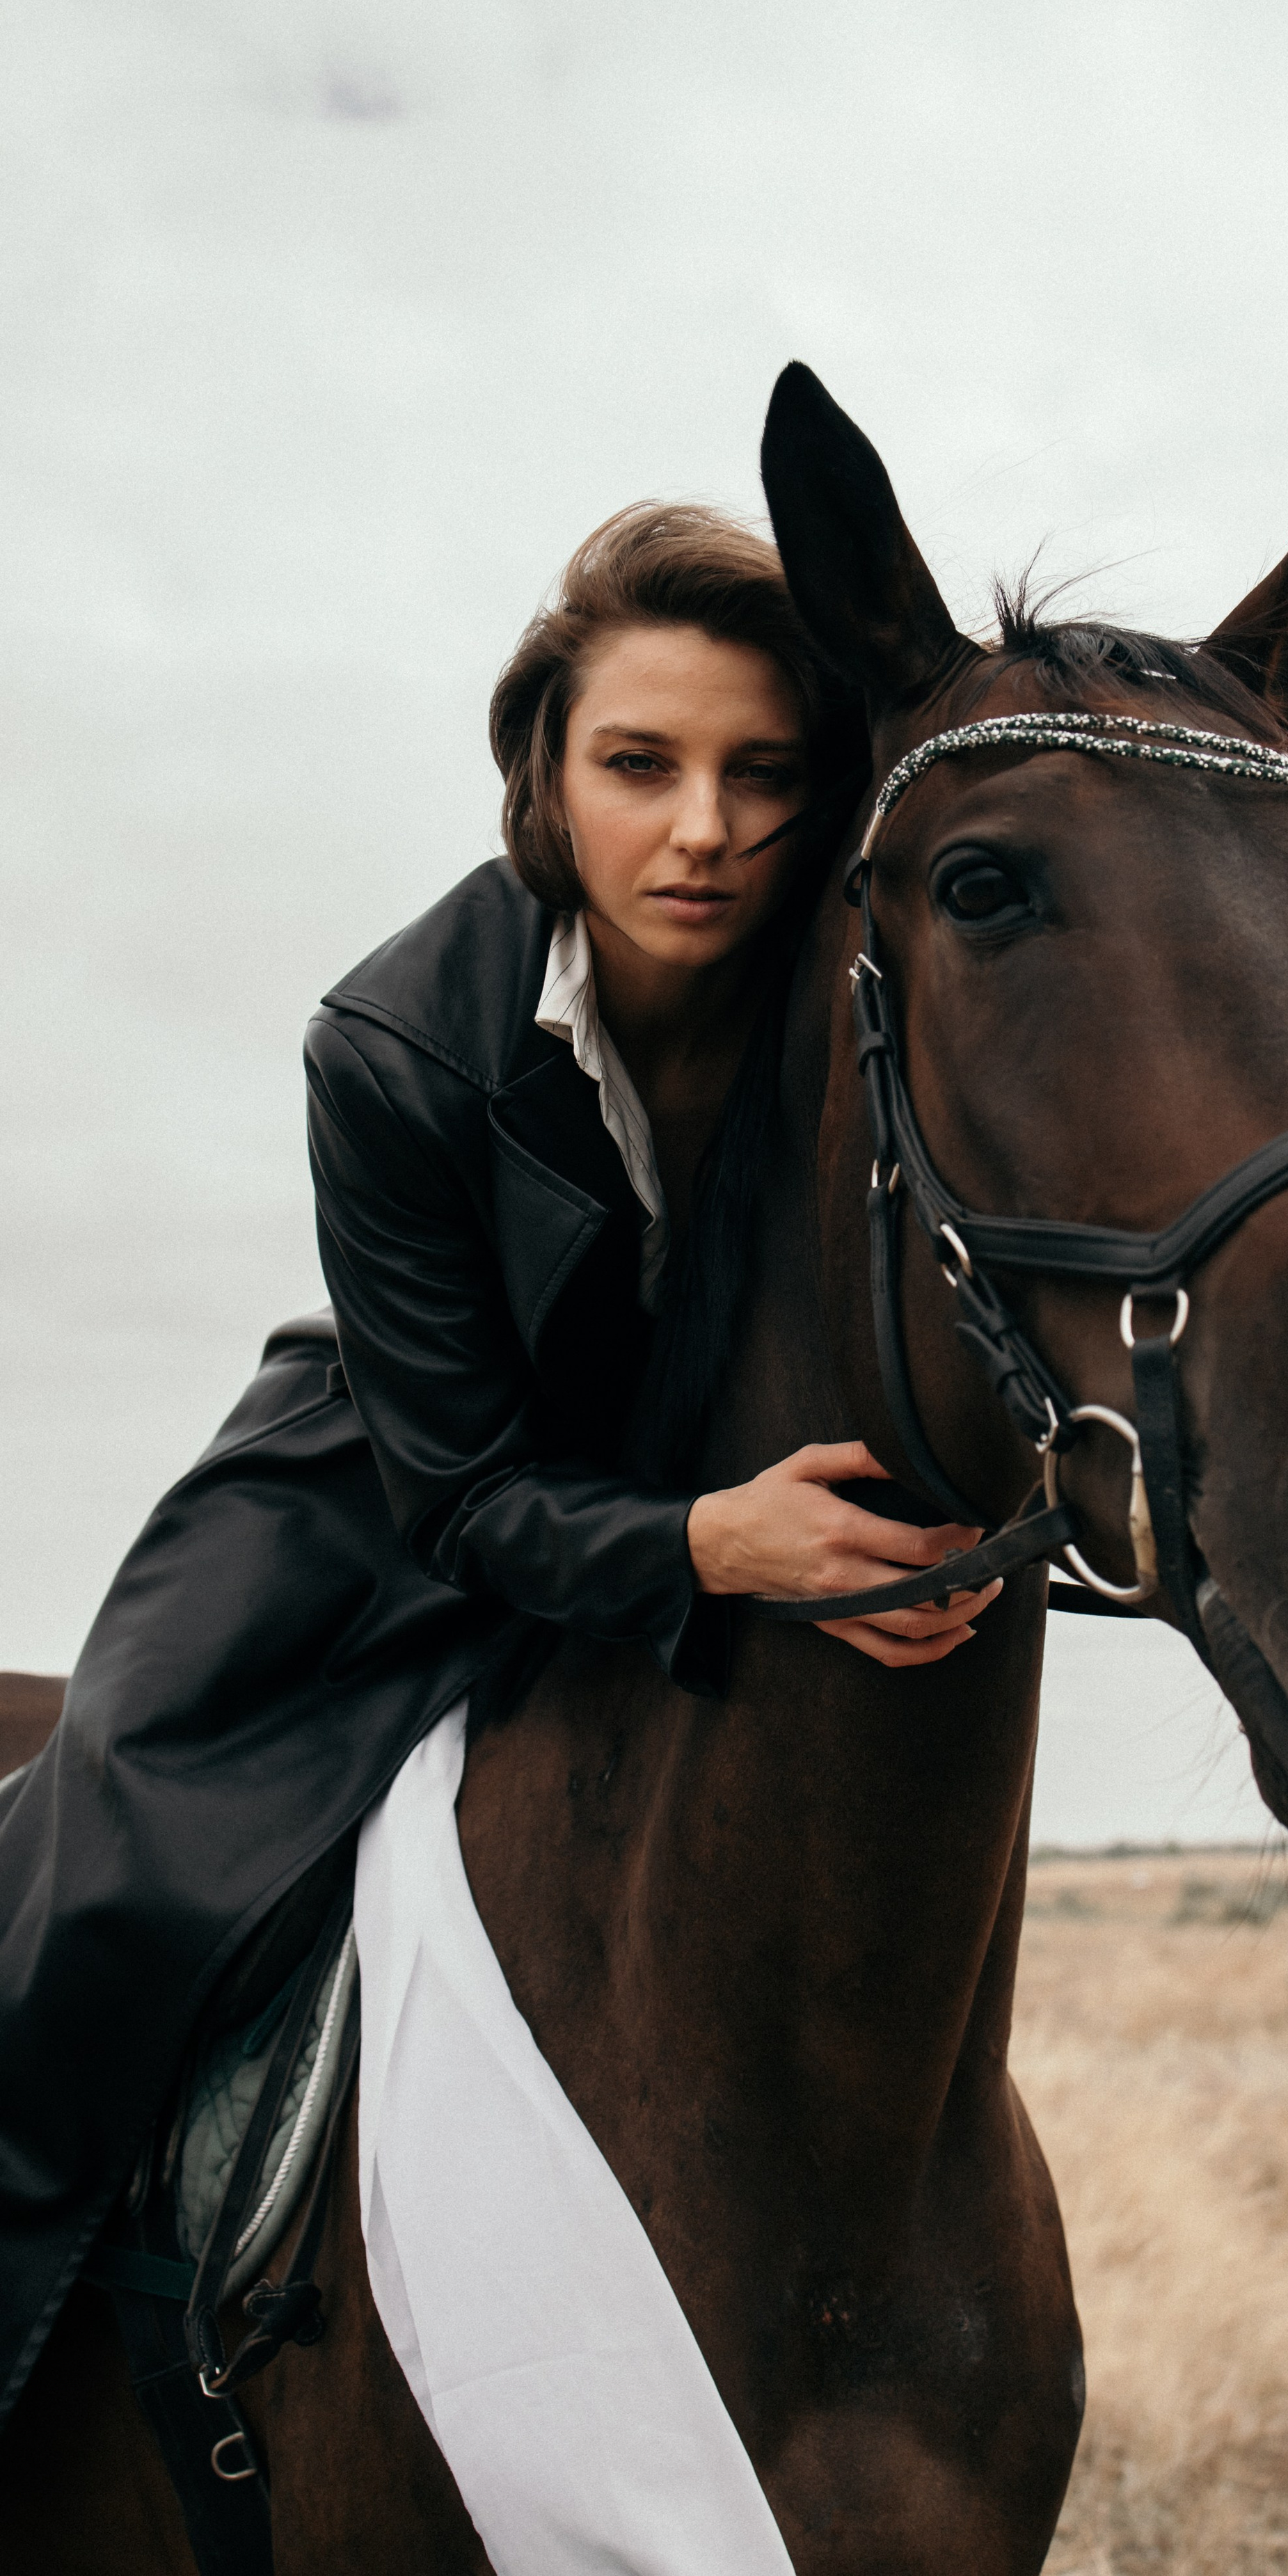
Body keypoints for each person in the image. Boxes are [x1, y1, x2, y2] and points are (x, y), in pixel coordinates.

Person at [0, 502, 999, 2424]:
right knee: (80, 1907)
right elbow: (458, 1487)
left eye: (760, 773)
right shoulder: (388, 1044)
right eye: (640, 765)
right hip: (383, 1507)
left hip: (704, 1483)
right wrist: (719, 1545)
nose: (701, 828)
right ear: (545, 775)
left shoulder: (851, 974)